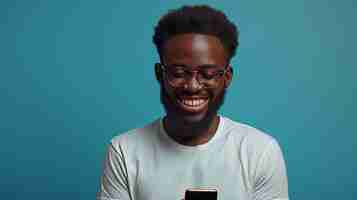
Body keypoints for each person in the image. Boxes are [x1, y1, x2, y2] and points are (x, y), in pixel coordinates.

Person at [97, 5, 289, 200]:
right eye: (179, 73)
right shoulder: (124, 151)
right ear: (159, 74)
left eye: (208, 74)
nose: (193, 86)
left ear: (227, 77)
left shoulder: (260, 152)